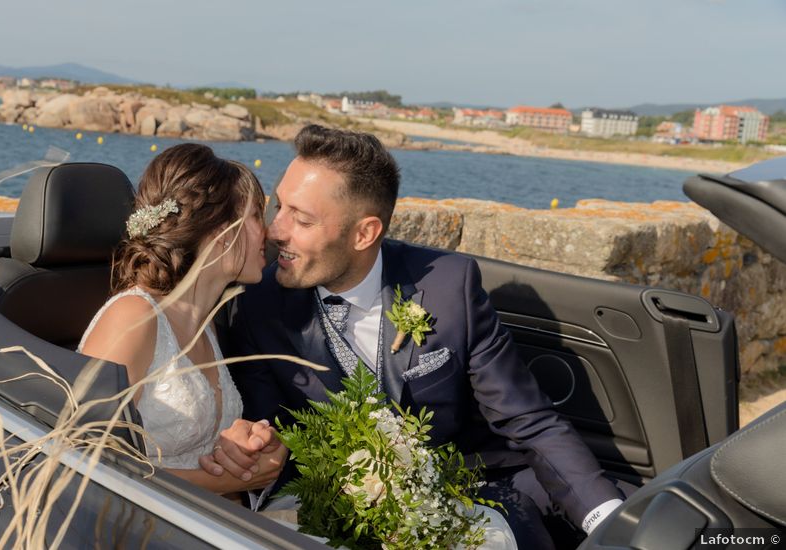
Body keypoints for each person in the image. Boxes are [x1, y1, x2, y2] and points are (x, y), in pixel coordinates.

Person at [209, 125, 627, 548]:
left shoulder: (451, 287)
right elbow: (270, 430)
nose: (275, 230)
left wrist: (610, 522)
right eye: (279, 207)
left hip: (468, 486)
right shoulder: (258, 302)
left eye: (301, 219)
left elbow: (529, 420)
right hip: (335, 502)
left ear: (364, 234)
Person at [78, 143, 287, 495]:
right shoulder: (133, 318)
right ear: (222, 233)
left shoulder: (205, 325)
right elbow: (87, 463)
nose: (270, 232)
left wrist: (247, 448)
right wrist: (223, 481)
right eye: (256, 215)